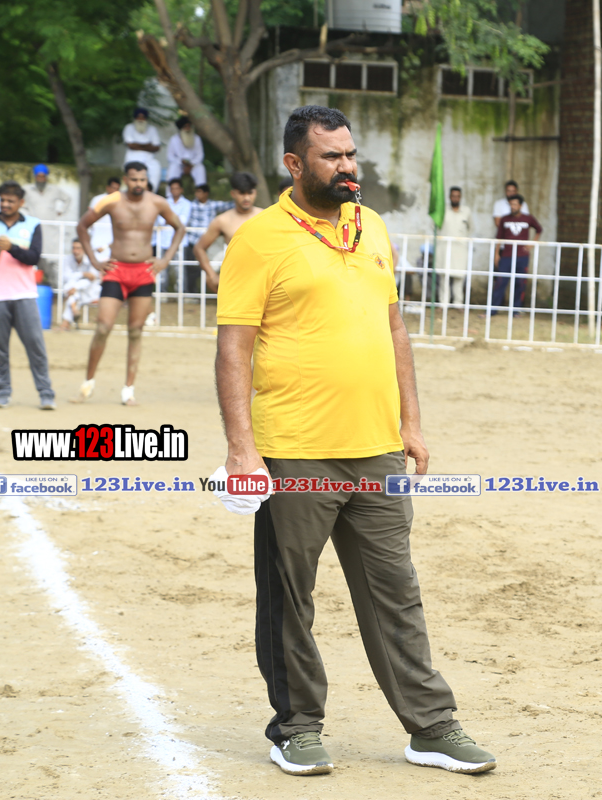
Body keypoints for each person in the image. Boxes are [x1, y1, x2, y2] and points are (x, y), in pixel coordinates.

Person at [215, 104, 496, 778]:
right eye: (332, 157)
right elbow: (233, 348)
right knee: (291, 598)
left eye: (351, 154)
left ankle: (431, 726)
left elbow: (394, 329)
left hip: (377, 449)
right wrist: (242, 449)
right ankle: (296, 728)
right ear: (295, 164)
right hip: (294, 450)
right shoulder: (259, 239)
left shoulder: (372, 227)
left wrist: (411, 423)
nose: (348, 167)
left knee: (396, 590)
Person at [72, 161, 185, 406]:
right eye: (134, 179)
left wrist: (165, 260)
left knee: (135, 330)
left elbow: (179, 228)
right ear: (125, 179)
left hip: (143, 272)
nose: (138, 184)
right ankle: (88, 383)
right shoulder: (111, 201)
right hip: (116, 270)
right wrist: (94, 261)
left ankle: (128, 390)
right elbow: (82, 225)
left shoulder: (157, 202)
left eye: (142, 179)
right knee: (103, 326)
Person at [0, 182, 55, 409]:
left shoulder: (33, 225)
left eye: (10, 201)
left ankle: (46, 393)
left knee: (35, 346)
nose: (5, 204)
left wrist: (11, 247)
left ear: (21, 203)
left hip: (24, 295)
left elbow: (34, 257)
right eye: (2, 200)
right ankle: (2, 393)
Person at [193, 172, 262, 293]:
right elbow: (199, 248)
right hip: (236, 279)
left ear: (255, 193)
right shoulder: (222, 221)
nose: (246, 198)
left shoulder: (265, 216)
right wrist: (212, 275)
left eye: (250, 193)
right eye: (242, 193)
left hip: (263, 278)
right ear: (233, 194)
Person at [492, 194, 542, 314]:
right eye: (511, 204)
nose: (512, 207)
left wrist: (531, 244)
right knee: (500, 282)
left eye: (515, 204)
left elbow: (539, 229)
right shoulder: (504, 219)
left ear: (520, 206)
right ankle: (492, 310)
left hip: (522, 257)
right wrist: (496, 254)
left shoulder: (528, 218)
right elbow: (499, 237)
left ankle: (516, 311)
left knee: (520, 283)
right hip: (506, 256)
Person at [184, 184, 233, 294]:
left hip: (209, 243)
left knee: (212, 268)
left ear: (206, 193)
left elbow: (230, 205)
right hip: (193, 241)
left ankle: (214, 295)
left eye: (200, 192)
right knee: (191, 269)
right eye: (196, 192)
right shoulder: (191, 205)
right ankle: (191, 293)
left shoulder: (213, 205)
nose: (197, 194)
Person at [437, 186, 471, 306]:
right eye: (453, 196)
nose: (455, 198)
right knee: (444, 276)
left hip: (460, 248)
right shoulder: (442, 210)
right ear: (449, 197)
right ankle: (443, 303)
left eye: (457, 196)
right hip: (444, 247)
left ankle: (458, 303)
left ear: (460, 197)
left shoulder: (466, 211)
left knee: (459, 276)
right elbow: (435, 226)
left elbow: (470, 228)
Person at [60, 239, 102, 330]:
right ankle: (74, 311)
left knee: (72, 291)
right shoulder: (68, 259)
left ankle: (67, 321)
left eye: (78, 248)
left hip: (91, 292)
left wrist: (76, 286)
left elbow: (92, 278)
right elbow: (66, 277)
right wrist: (83, 274)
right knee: (72, 290)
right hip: (76, 293)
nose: (75, 251)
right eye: (73, 248)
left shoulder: (91, 259)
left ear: (84, 249)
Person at [122, 108, 161, 189]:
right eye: (138, 117)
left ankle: (151, 192)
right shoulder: (129, 127)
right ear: (135, 118)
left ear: (146, 119)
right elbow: (131, 146)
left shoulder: (152, 129)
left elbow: (156, 147)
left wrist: (137, 145)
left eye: (143, 117)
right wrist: (148, 145)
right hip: (132, 158)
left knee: (156, 167)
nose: (140, 119)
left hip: (149, 159)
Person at [156, 178, 192, 263]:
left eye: (177, 188)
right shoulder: (164, 202)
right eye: (173, 188)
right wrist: (175, 221)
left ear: (181, 189)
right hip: (164, 241)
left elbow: (183, 220)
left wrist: (168, 219)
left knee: (179, 268)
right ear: (170, 190)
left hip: (180, 242)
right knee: (162, 267)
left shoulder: (187, 203)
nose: (175, 191)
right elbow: (160, 221)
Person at [87, 177, 122, 262]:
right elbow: (89, 221)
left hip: (113, 242)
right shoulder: (97, 200)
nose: (115, 191)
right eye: (113, 188)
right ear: (108, 188)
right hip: (97, 240)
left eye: (117, 189)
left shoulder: (121, 201)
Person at [166, 116, 206, 187]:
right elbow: (170, 156)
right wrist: (180, 161)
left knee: (201, 168)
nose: (188, 128)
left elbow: (200, 155)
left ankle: (201, 191)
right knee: (173, 168)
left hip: (193, 165)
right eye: (185, 126)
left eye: (189, 126)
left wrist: (191, 164)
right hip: (179, 164)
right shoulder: (174, 139)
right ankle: (171, 193)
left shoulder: (197, 138)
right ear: (181, 128)